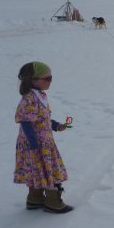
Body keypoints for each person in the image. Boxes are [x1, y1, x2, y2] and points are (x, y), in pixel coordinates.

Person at [14, 61, 73, 214]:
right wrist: (34, 144)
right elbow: (26, 122)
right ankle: (53, 202)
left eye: (50, 78)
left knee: (39, 170)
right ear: (33, 80)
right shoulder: (29, 99)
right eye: (47, 79)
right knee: (48, 171)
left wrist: (55, 125)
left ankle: (35, 198)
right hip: (36, 144)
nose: (50, 81)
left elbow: (41, 118)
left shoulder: (40, 95)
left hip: (44, 141)